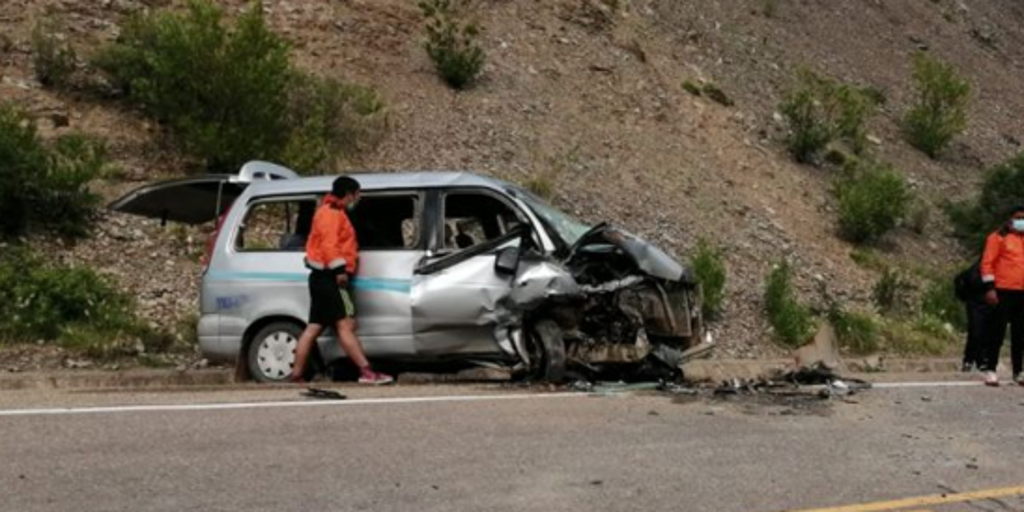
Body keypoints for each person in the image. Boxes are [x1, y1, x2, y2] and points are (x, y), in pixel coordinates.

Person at [290, 176, 394, 385]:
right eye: (357, 193)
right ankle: (366, 371)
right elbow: (330, 246)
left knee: (313, 328)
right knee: (345, 324)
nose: (358, 197)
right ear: (348, 193)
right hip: (330, 278)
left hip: (321, 278)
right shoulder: (331, 214)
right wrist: (340, 270)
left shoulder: (330, 212)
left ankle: (296, 375)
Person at [979, 205, 1024, 387]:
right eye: (1019, 217)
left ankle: (1018, 371)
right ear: (1009, 219)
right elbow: (987, 263)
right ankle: (991, 369)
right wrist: (990, 288)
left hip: (1022, 292)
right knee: (996, 332)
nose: (1022, 222)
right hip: (1002, 291)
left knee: (1020, 334)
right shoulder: (997, 237)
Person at [953, 260, 991, 372]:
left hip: (986, 304)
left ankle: (980, 361)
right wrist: (965, 297)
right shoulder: (976, 268)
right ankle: (970, 360)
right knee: (976, 332)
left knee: (984, 333)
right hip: (975, 304)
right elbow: (960, 279)